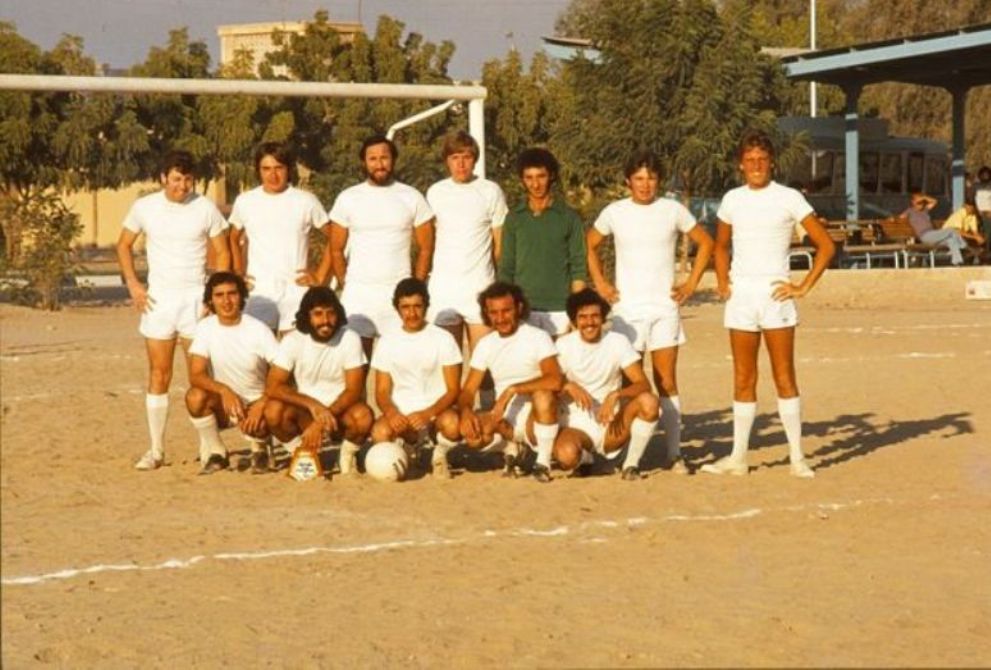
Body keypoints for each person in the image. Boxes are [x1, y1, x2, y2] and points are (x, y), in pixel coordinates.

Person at [702, 130, 835, 479]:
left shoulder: (789, 197)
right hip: (741, 298)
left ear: (771, 162)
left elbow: (826, 245)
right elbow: (720, 245)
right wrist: (721, 280)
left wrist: (802, 286)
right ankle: (738, 457)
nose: (756, 166)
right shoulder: (732, 199)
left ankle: (796, 457)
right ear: (740, 165)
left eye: (762, 159)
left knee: (783, 375)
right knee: (743, 377)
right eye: (750, 161)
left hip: (776, 297)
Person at [586, 150, 713, 472]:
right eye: (639, 178)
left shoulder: (672, 210)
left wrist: (691, 283)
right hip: (627, 311)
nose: (645, 185)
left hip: (664, 310)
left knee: (666, 380)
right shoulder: (615, 211)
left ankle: (674, 454)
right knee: (627, 381)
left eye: (651, 178)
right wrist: (600, 283)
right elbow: (589, 244)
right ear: (628, 180)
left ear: (659, 180)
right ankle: (621, 452)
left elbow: (706, 243)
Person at [116, 149, 231, 471]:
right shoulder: (145, 207)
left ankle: (211, 447)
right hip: (159, 301)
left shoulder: (204, 207)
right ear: (164, 178)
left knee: (200, 376)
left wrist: (213, 296)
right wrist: (134, 285)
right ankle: (156, 450)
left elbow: (223, 252)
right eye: (177, 179)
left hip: (195, 301)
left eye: (188, 179)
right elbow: (123, 245)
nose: (182, 186)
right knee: (159, 374)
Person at [328, 135, 435, 357]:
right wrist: (344, 282)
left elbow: (426, 248)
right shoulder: (348, 198)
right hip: (358, 295)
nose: (379, 164)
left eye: (384, 158)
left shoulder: (412, 196)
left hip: (397, 295)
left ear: (394, 159)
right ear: (364, 162)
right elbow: (336, 248)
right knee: (356, 370)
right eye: (373, 158)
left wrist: (416, 285)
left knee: (400, 366)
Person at [458, 282, 563, 482]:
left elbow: (555, 379)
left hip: (537, 416)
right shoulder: (486, 344)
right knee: (471, 433)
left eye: (506, 311)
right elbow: (468, 391)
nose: (500, 318)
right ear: (486, 314)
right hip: (504, 418)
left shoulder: (537, 337)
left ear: (519, 308)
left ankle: (543, 463)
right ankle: (511, 447)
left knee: (543, 395)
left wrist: (513, 390)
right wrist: (466, 412)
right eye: (494, 313)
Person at [263, 287, 373, 476]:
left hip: (340, 413)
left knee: (363, 417)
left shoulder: (350, 338)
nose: (325, 321)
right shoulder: (293, 340)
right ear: (307, 316)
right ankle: (301, 452)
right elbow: (273, 386)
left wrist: (322, 420)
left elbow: (354, 390)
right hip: (305, 412)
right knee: (273, 411)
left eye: (331, 313)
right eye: (318, 314)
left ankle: (346, 457)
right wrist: (313, 406)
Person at [553, 289, 660, 480]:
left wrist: (616, 395)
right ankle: (586, 459)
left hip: (610, 424)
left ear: (603, 319)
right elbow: (549, 384)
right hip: (575, 424)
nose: (589, 322)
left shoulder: (617, 342)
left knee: (649, 402)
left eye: (595, 316)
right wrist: (568, 386)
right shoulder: (563, 345)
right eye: (583, 317)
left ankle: (631, 464)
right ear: (574, 321)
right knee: (566, 456)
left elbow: (643, 384)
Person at [228, 142, 332, 333]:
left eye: (279, 168)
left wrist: (319, 275)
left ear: (288, 169)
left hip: (296, 291)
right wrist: (237, 273)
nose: (273, 175)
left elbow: (335, 238)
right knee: (258, 358)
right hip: (258, 291)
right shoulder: (246, 201)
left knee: (294, 357)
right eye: (266, 168)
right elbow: (233, 237)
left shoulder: (305, 200)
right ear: (258, 170)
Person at [186, 272, 279, 475]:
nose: (226, 301)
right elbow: (196, 374)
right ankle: (217, 452)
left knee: (272, 411)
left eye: (232, 294)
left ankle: (261, 448)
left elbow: (281, 374)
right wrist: (224, 390)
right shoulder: (205, 328)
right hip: (226, 404)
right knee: (195, 396)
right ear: (210, 300)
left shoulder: (259, 330)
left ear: (241, 296)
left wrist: (262, 403)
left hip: (256, 403)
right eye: (219, 295)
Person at [426, 130, 508, 356]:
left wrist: (487, 272)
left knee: (485, 364)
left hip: (479, 288)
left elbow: (499, 242)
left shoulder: (490, 191)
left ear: (474, 159)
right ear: (447, 161)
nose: (461, 164)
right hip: (443, 290)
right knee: (446, 364)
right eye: (455, 158)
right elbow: (427, 240)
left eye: (466, 157)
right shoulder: (436, 192)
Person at [370, 278, 463, 477]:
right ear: (397, 309)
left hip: (435, 412)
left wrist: (428, 413)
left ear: (426, 306)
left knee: (453, 425)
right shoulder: (388, 341)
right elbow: (382, 391)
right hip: (403, 413)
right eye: (405, 307)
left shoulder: (443, 338)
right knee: (379, 432)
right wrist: (392, 413)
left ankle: (439, 454)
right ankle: (411, 447)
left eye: (417, 306)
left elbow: (453, 389)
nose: (411, 313)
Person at [498, 148, 587, 338]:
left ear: (552, 176)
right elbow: (506, 266)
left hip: (560, 310)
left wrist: (576, 310)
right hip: (524, 310)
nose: (535, 184)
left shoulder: (569, 217)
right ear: (522, 179)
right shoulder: (514, 219)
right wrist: (507, 309)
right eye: (529, 177)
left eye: (541, 176)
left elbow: (578, 266)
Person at [899, 192, 967, 266]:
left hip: (933, 235)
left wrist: (924, 197)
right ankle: (963, 245)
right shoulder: (910, 211)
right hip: (925, 236)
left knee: (951, 240)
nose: (921, 204)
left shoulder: (925, 209)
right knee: (952, 230)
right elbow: (900, 218)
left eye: (922, 202)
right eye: (918, 202)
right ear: (913, 202)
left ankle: (957, 262)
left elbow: (935, 201)